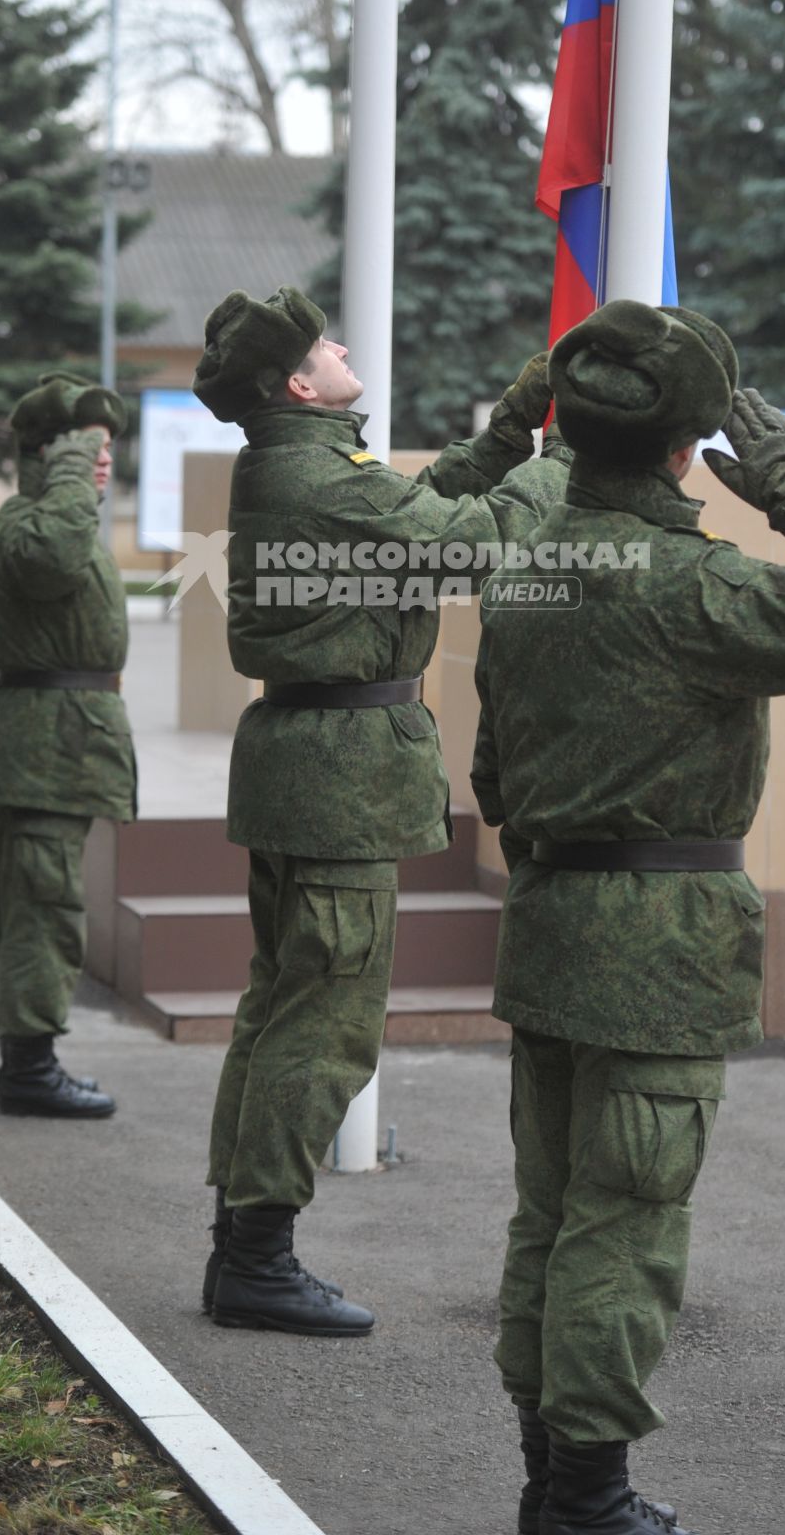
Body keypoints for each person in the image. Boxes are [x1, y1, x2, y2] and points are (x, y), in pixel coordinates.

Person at [471, 301, 785, 1535]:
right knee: (626, 1220)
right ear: (686, 447)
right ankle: (586, 1501)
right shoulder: (692, 583)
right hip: (659, 940)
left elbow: (496, 778)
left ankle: (547, 1480)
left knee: (552, 1216)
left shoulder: (536, 567)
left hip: (551, 915)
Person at [189, 284, 569, 1338]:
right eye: (325, 343)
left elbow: (424, 507)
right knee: (324, 1021)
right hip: (338, 775)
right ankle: (257, 1258)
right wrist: (562, 462)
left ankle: (244, 1250)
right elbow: (465, 544)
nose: (345, 344)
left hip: (314, 763)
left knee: (284, 1008)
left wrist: (506, 430)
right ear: (299, 384)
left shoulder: (310, 464)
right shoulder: (317, 474)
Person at [0, 370, 137, 1119]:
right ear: (48, 454)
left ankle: (27, 1058)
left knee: (37, 898)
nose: (101, 461)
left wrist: (73, 469)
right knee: (43, 904)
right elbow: (53, 560)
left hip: (58, 739)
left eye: (107, 449)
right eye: (85, 448)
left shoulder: (50, 515)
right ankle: (29, 1070)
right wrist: (68, 473)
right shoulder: (33, 522)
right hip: (44, 742)